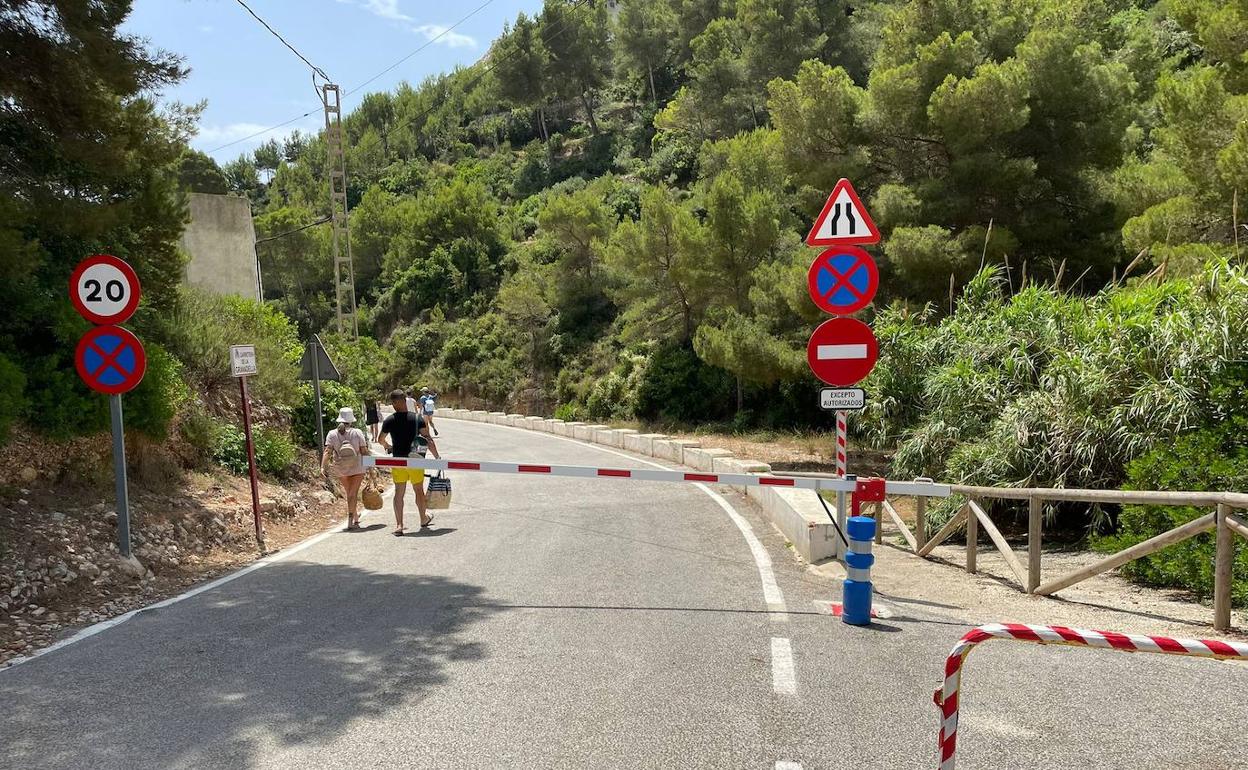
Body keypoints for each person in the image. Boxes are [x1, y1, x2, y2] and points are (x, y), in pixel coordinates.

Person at [379, 388, 440, 535]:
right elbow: (428, 439)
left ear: (393, 404)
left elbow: (380, 439)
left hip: (398, 461)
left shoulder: (390, 420)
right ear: (405, 401)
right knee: (418, 490)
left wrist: (388, 447)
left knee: (399, 493)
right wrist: (437, 457)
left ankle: (399, 525)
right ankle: (423, 519)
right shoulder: (417, 418)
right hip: (415, 460)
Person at [321, 407, 370, 530]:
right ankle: (349, 521)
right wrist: (371, 467)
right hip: (357, 466)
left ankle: (355, 517)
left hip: (341, 467)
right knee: (352, 494)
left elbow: (327, 451)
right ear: (351, 420)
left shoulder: (332, 434)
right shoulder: (357, 432)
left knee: (350, 493)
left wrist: (323, 467)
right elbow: (364, 451)